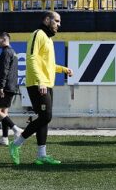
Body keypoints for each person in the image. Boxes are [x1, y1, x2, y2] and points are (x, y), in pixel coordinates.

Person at [9, 11, 73, 166]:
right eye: (56, 21)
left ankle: (41, 156)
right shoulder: (38, 34)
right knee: (46, 117)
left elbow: (48, 65)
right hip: (38, 84)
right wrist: (40, 81)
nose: (59, 25)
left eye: (59, 22)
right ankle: (16, 144)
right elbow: (31, 58)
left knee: (44, 118)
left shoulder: (48, 39)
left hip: (46, 83)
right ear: (46, 20)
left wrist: (63, 69)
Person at [0, 32, 23, 146]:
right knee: (4, 113)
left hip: (5, 87)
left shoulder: (5, 52)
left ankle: (16, 129)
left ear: (4, 39)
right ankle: (5, 138)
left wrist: (1, 86)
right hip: (12, 86)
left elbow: (4, 70)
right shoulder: (13, 52)